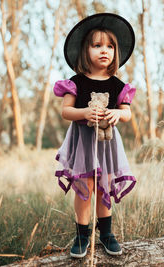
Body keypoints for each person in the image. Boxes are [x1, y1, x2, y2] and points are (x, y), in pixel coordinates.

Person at [53, 13, 136, 258]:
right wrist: (85, 112)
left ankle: (107, 233)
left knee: (105, 185)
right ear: (85, 51)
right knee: (85, 185)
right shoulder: (76, 83)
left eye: (110, 46)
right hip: (83, 142)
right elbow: (66, 111)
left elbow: (127, 114)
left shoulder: (118, 85)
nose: (104, 50)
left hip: (107, 143)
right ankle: (81, 234)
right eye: (97, 45)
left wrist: (116, 114)